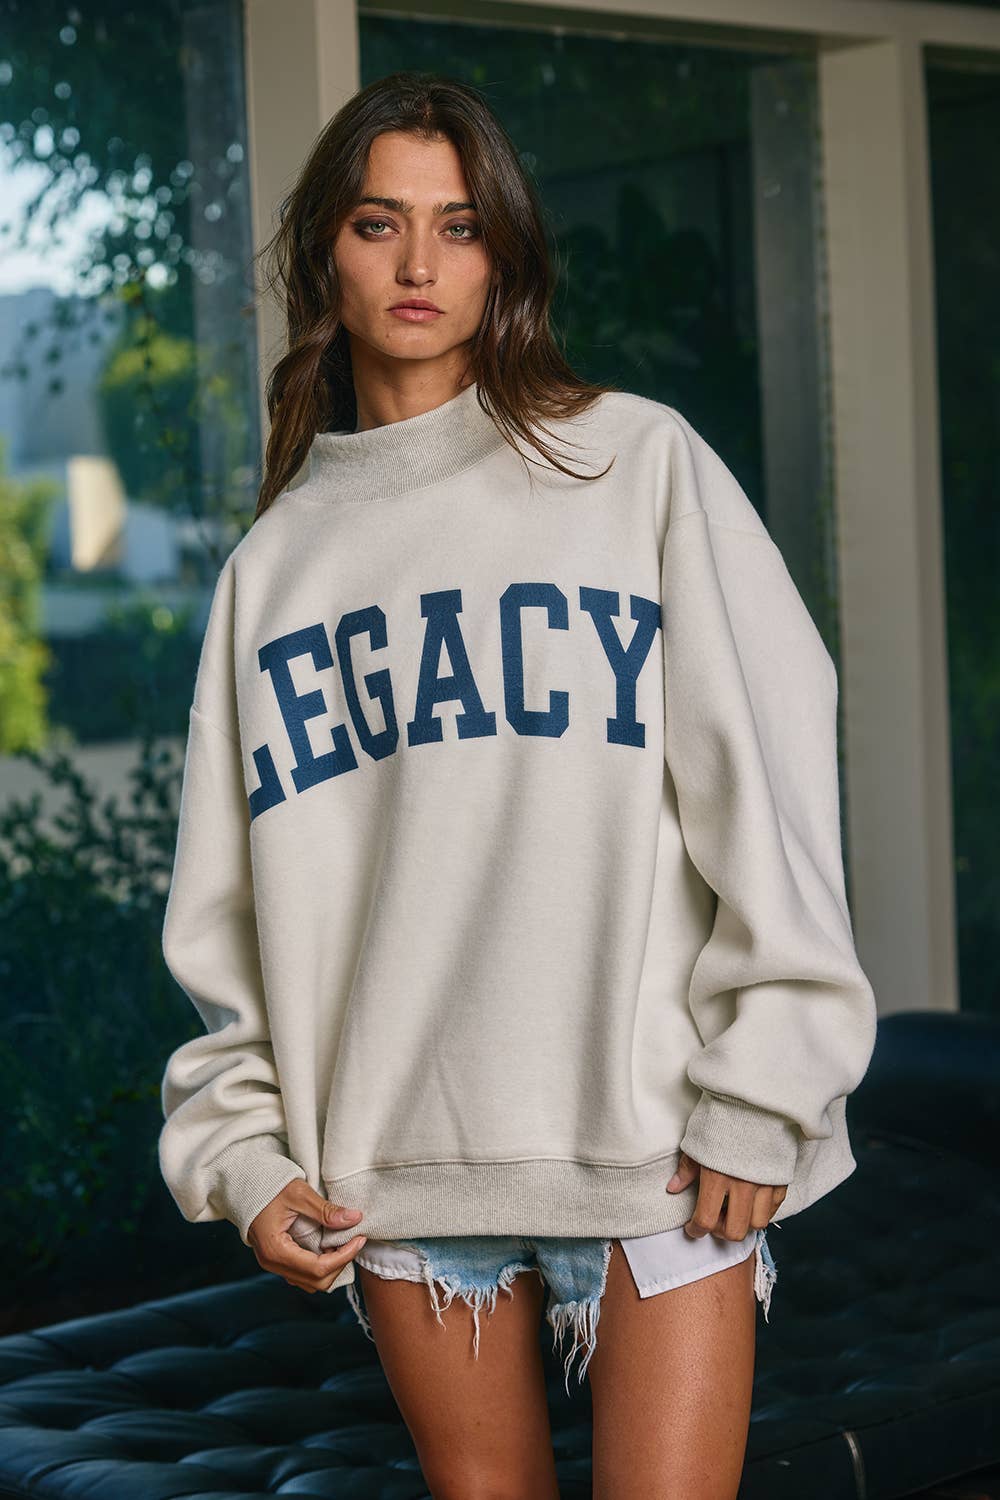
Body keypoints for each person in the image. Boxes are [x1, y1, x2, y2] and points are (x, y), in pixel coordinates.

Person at [157, 71, 878, 1500]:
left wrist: (769, 1085)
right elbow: (229, 911)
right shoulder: (274, 571)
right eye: (379, 223)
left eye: (461, 226)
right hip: (393, 1172)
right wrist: (240, 1152)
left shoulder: (635, 463)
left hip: (659, 1142)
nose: (420, 264)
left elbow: (772, 778)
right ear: (326, 253)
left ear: (506, 257)